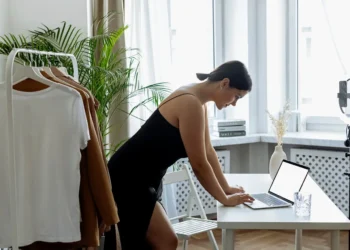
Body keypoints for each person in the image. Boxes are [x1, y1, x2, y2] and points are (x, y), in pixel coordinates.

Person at [104, 60, 255, 250]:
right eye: (237, 96)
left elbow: (208, 151)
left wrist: (226, 188)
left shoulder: (199, 103)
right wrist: (224, 199)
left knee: (153, 242)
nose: (233, 103)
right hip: (129, 178)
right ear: (224, 83)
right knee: (167, 241)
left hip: (145, 178)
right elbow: (199, 164)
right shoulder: (190, 102)